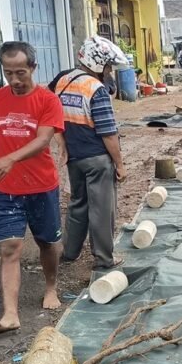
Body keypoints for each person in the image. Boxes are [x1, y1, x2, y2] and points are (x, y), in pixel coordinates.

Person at [0, 41, 65, 334]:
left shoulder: (48, 100)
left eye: (20, 73)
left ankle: (51, 286)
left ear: (33, 68)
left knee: (47, 242)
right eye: (8, 72)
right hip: (6, 188)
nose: (14, 80)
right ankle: (10, 314)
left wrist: (10, 158)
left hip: (41, 186)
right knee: (10, 248)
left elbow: (43, 139)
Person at [53, 35, 128, 270]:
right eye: (108, 66)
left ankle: (70, 252)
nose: (109, 72)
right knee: (102, 209)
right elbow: (108, 133)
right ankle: (105, 258)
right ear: (98, 63)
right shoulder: (96, 89)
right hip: (97, 159)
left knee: (78, 203)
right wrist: (119, 164)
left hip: (74, 157)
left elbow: (52, 117)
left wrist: (62, 144)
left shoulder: (61, 80)